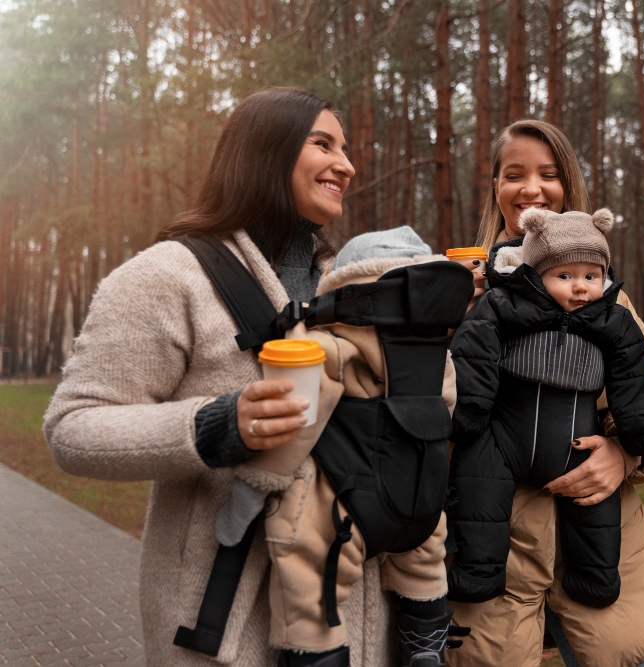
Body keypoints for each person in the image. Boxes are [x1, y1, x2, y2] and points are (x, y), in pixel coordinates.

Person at [43, 88, 394, 666]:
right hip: (224, 623)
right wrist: (217, 425)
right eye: (323, 143)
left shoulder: (348, 286)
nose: (347, 165)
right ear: (267, 151)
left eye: (347, 149)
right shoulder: (166, 276)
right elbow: (73, 428)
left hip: (354, 612)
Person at [446, 119, 644, 667]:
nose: (532, 188)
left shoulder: (595, 292)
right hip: (491, 547)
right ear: (496, 188)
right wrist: (448, 311)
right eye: (514, 174)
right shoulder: (464, 291)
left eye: (548, 174)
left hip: (602, 542)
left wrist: (628, 453)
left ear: (567, 185)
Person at [246, 226, 466, 667]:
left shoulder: (327, 341)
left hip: (350, 501)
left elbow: (300, 421)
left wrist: (260, 480)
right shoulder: (436, 352)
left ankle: (316, 653)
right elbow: (449, 409)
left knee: (311, 568)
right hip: (421, 495)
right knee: (426, 562)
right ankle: (425, 644)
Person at [447, 207, 644, 612]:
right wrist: (471, 408)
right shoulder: (506, 304)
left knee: (594, 506)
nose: (580, 287)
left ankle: (595, 577)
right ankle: (479, 571)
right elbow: (475, 346)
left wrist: (637, 430)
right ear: (537, 276)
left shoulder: (614, 320)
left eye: (591, 276)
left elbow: (634, 372)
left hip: (575, 443)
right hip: (501, 436)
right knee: (479, 489)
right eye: (564, 276)